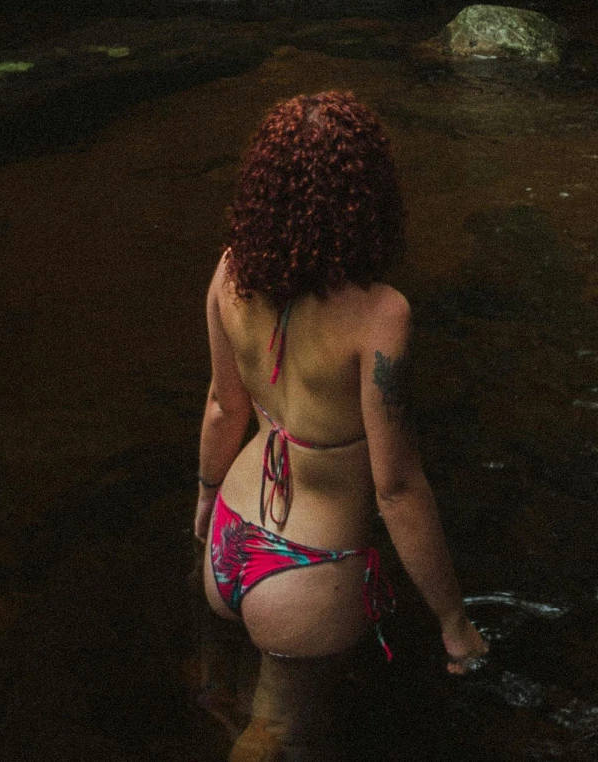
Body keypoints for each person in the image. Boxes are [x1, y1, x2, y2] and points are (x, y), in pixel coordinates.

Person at [194, 90, 488, 759]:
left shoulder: (230, 270)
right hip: (305, 571)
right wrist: (454, 623)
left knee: (233, 702)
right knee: (273, 738)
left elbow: (222, 407)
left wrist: (205, 505)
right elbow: (397, 488)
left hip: (229, 540)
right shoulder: (380, 315)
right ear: (367, 195)